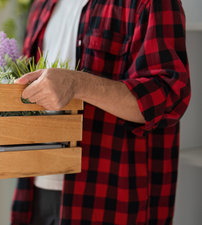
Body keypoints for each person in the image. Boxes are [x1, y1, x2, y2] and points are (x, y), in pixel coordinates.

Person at [11, 0, 191, 225]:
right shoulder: (42, 4)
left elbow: (169, 96)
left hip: (111, 198)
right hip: (37, 189)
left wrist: (77, 84)